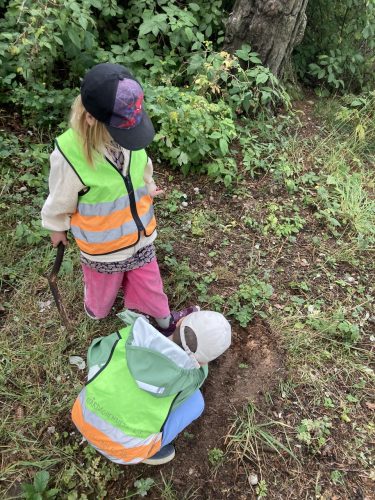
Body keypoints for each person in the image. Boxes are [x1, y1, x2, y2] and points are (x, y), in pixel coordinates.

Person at [41, 63, 195, 334]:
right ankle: (96, 311)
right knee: (102, 291)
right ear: (91, 119)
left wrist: (147, 186)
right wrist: (56, 226)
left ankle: (162, 320)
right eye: (122, 131)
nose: (129, 136)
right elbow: (60, 198)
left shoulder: (128, 132)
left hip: (141, 239)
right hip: (103, 249)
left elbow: (142, 165)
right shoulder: (70, 156)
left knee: (150, 284)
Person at [71, 310, 231, 465]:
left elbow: (96, 352)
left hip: (83, 415)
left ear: (180, 321)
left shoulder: (131, 335)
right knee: (196, 403)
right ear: (203, 362)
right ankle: (150, 450)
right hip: (126, 451)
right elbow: (198, 373)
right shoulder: (189, 381)